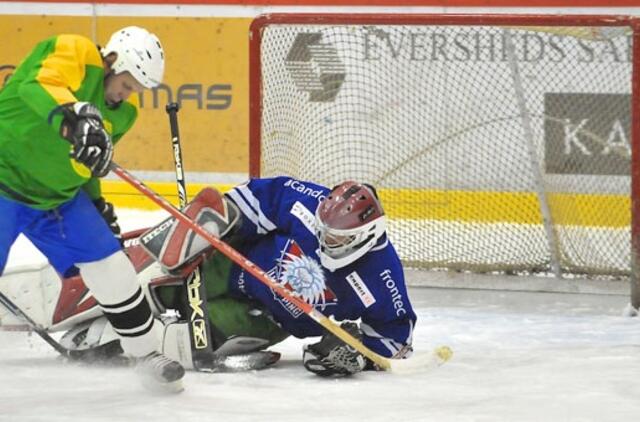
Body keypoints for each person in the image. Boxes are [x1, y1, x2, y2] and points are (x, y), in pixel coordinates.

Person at [60, 177, 417, 377]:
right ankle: (81, 301)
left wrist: (356, 354)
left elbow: (394, 337)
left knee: (188, 341)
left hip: (268, 319)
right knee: (152, 286)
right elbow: (265, 196)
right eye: (323, 231)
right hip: (233, 264)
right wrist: (223, 217)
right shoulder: (310, 202)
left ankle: (111, 343)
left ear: (365, 237)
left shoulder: (382, 276)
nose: (325, 240)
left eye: (336, 239)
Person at [0, 26, 185, 392]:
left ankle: (145, 355)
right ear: (112, 61)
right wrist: (76, 115)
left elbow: (87, 161)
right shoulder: (76, 51)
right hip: (3, 180)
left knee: (113, 267)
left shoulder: (124, 115)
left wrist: (97, 202)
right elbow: (35, 85)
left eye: (136, 91)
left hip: (57, 201)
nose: (128, 96)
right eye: (128, 85)